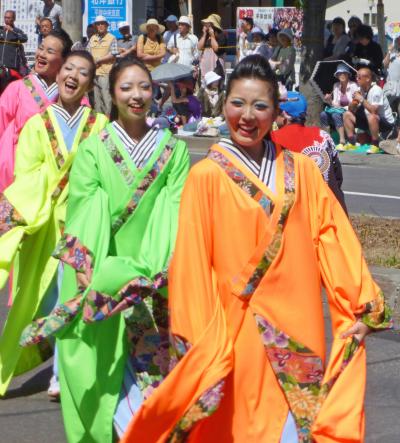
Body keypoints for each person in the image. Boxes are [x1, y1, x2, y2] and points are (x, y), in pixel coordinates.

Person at [120, 53, 392, 443]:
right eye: (238, 103)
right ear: (224, 104)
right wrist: (200, 343)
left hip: (297, 330)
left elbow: (333, 237)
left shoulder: (302, 172)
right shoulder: (206, 177)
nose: (247, 115)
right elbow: (192, 267)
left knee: (294, 429)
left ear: (276, 112)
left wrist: (362, 302)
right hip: (233, 338)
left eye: (260, 106)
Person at [20, 57, 190, 443]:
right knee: (99, 374)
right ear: (112, 94)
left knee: (150, 381)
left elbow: (175, 210)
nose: (137, 95)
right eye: (126, 87)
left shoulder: (173, 151)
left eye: (144, 87)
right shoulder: (95, 149)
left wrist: (156, 267)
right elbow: (85, 208)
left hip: (153, 276)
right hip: (101, 274)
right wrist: (87, 269)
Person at [0, 50, 108, 399]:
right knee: (40, 302)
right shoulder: (37, 125)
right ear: (60, 74)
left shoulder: (100, 125)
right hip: (46, 221)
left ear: (91, 83)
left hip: (82, 223)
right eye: (70, 68)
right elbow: (26, 174)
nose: (74, 76)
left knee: (72, 296)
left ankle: (61, 373)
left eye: (84, 72)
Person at [0, 30, 73, 193]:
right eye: (41, 48)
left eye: (50, 51)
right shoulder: (16, 89)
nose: (41, 54)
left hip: (55, 174)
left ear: (63, 60)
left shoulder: (72, 94)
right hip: (16, 167)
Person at [274, 90, 347, 212]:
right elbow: (337, 176)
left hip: (296, 212)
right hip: (329, 209)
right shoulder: (323, 136)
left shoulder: (273, 139)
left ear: (284, 114)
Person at [343, 65, 396, 153]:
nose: (357, 79)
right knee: (347, 115)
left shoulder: (376, 90)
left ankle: (375, 144)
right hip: (370, 121)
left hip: (385, 124)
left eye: (359, 77)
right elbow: (351, 110)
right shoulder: (360, 90)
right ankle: (352, 143)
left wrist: (361, 99)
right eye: (356, 76)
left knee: (372, 116)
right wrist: (354, 102)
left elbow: (374, 111)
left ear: (367, 79)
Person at [320, 63, 359, 149]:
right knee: (323, 114)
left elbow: (356, 103)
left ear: (348, 75)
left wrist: (341, 108)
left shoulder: (353, 86)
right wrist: (329, 100)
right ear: (337, 75)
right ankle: (327, 139)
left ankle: (342, 140)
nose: (342, 75)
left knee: (335, 114)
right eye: (339, 73)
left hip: (350, 112)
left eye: (344, 73)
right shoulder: (336, 86)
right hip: (339, 110)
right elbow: (335, 104)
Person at [87, 15, 119, 115]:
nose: (100, 26)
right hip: (94, 73)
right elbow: (88, 52)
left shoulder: (112, 38)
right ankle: (99, 125)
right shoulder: (92, 38)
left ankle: (107, 122)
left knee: (106, 99)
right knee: (97, 101)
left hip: (106, 73)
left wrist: (98, 60)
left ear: (106, 25)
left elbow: (113, 54)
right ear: (95, 26)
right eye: (98, 24)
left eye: (102, 24)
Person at [0, 10, 28, 93]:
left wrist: (12, 30)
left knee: (8, 88)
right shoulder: (1, 30)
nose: (6, 20)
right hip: (0, 66)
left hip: (11, 66)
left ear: (14, 19)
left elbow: (24, 38)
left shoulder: (17, 31)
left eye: (9, 18)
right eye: (5, 17)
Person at [198, 14, 227, 82]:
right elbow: (199, 47)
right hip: (205, 65)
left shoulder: (221, 35)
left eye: (209, 24)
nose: (206, 25)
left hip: (216, 65)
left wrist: (213, 36)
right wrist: (204, 34)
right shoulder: (206, 35)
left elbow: (216, 49)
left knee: (215, 82)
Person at [383, 36, 400, 117]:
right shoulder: (392, 55)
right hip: (391, 87)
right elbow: (384, 65)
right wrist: (389, 51)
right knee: (389, 111)